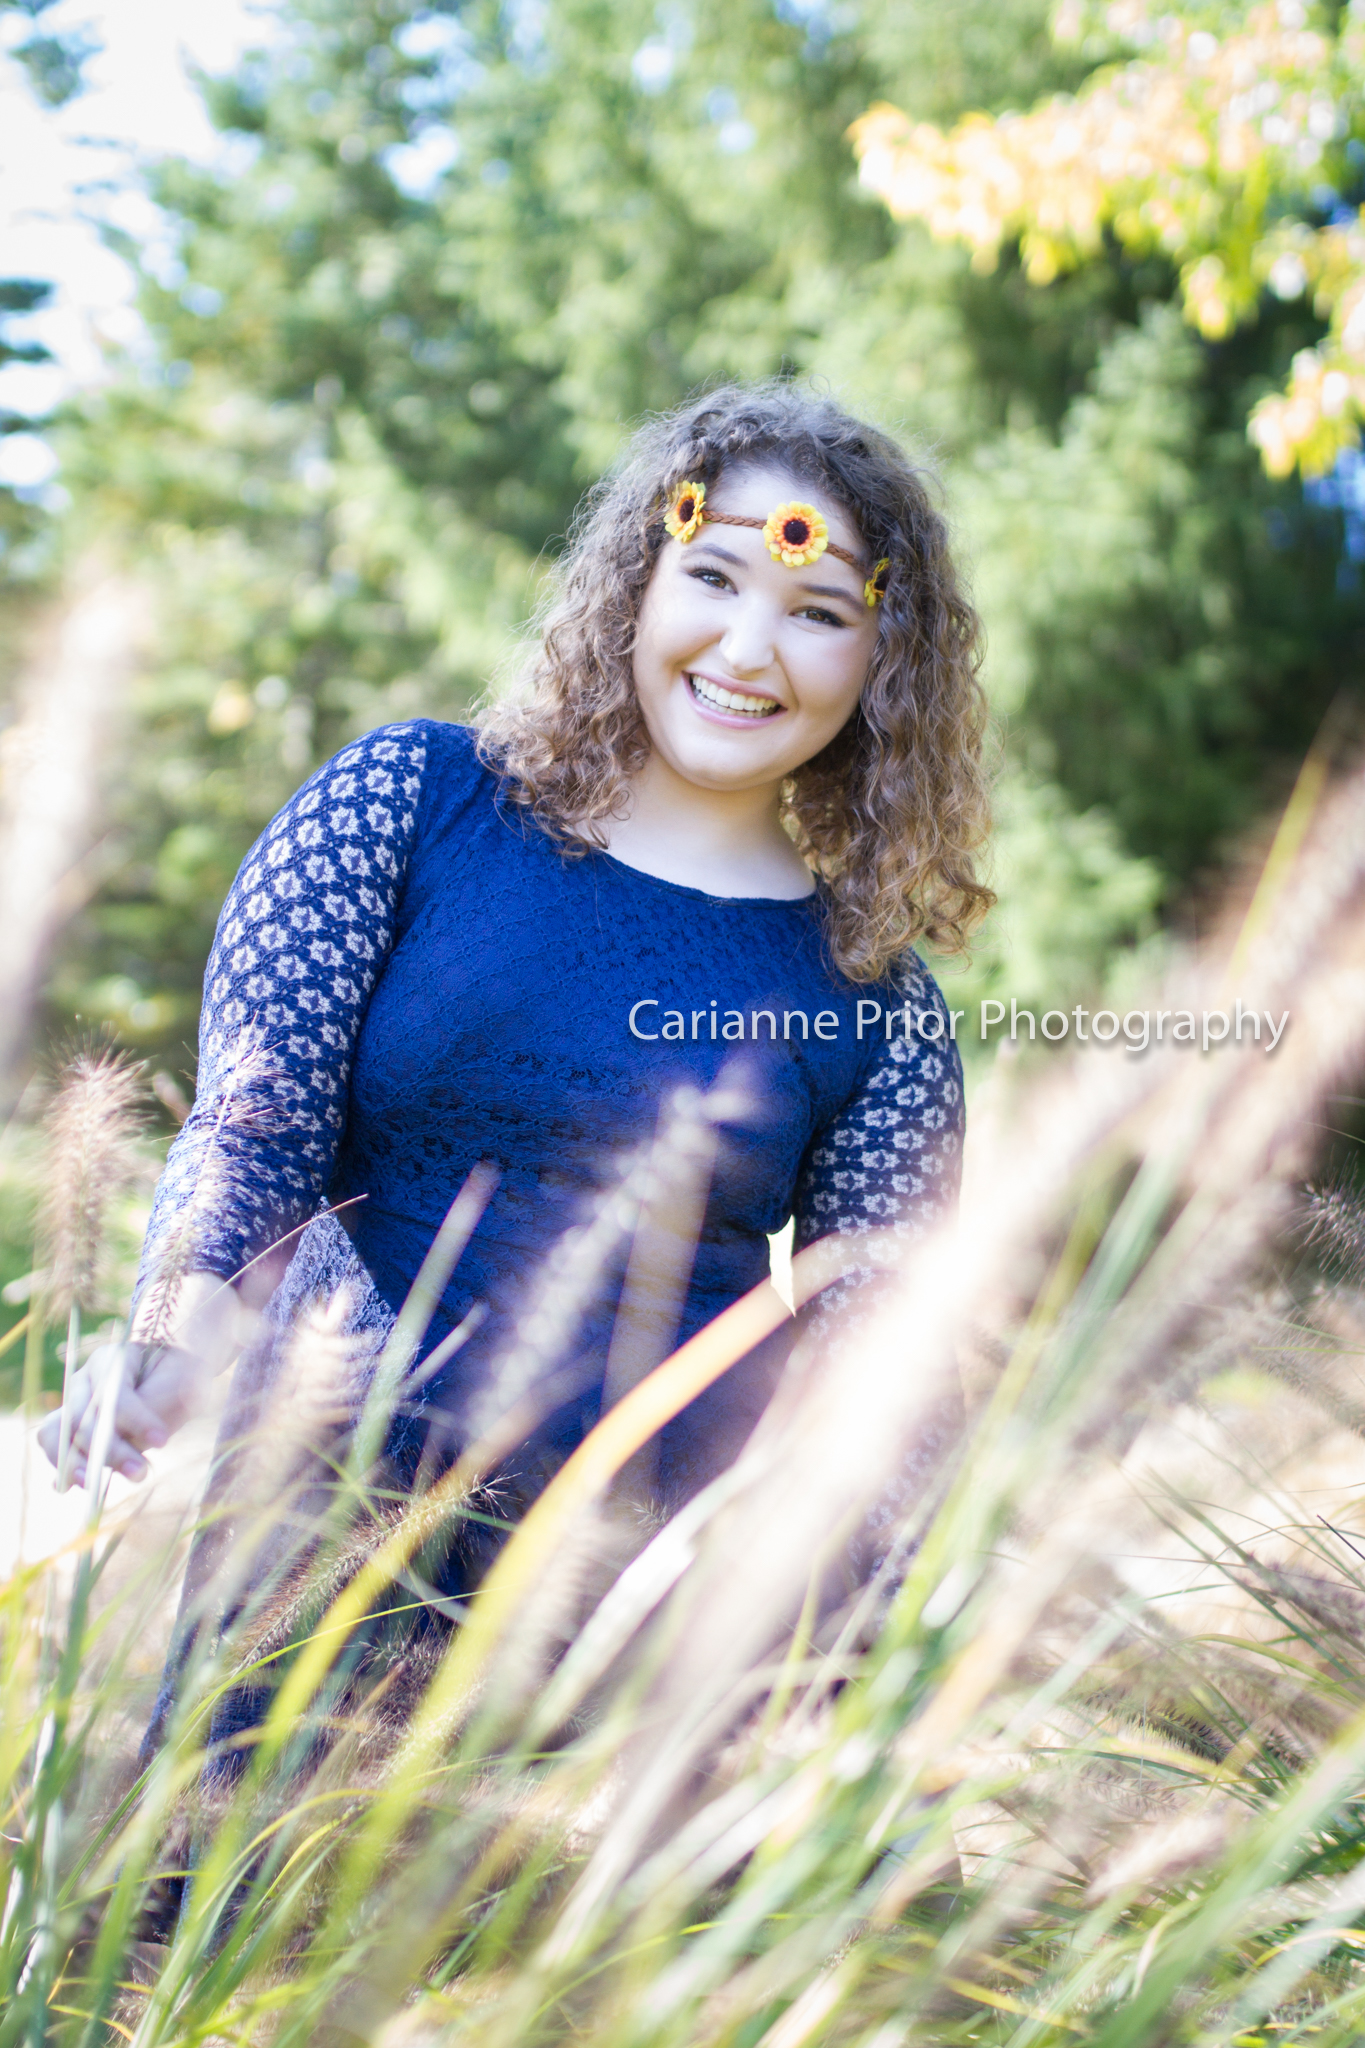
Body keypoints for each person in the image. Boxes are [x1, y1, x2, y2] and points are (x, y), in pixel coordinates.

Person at [39, 382, 991, 1646]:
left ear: (884, 662)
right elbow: (251, 1134)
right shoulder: (407, 803)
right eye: (713, 578)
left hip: (643, 1619)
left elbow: (881, 1359)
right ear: (638, 584)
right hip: (321, 1558)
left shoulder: (874, 994)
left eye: (817, 610)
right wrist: (166, 1343)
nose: (748, 649)